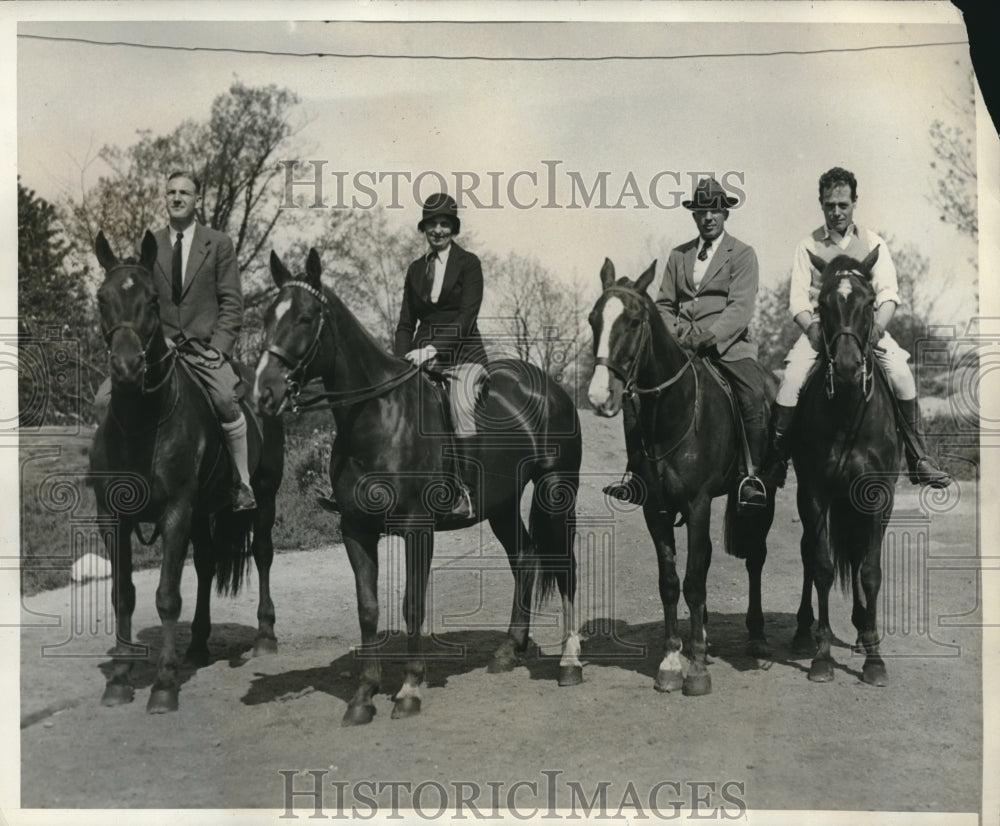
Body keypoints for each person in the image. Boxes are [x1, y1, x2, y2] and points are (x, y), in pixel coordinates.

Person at [759, 166, 952, 489]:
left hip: (865, 326)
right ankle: (777, 461)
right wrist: (812, 330)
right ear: (821, 204)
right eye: (829, 205)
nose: (836, 212)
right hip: (823, 328)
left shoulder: (874, 242)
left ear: (854, 203)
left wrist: (877, 326)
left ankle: (919, 457)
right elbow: (797, 300)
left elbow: (889, 292)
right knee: (791, 380)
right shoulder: (808, 245)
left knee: (902, 375)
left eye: (843, 205)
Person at [604, 176, 770, 510]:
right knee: (635, 395)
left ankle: (750, 475)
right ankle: (637, 475)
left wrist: (708, 336)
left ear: (725, 214)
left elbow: (740, 308)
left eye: (715, 211)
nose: (708, 217)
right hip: (681, 347)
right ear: (694, 217)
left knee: (753, 395)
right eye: (701, 212)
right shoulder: (679, 255)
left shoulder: (742, 254)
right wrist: (677, 333)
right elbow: (664, 304)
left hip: (727, 347)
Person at [95, 170, 255, 510]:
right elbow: (140, 303)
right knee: (102, 399)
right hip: (158, 351)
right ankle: (116, 476)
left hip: (204, 350)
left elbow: (231, 302)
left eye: (184, 192)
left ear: (197, 200)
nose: (177, 198)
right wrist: (148, 341)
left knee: (227, 399)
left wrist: (219, 350)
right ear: (165, 198)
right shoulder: (150, 245)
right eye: (171, 193)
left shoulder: (219, 244)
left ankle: (241, 482)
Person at [393, 193, 489, 520]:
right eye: (432, 224)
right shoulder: (415, 269)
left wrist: (432, 350)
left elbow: (466, 319)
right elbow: (406, 323)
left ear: (453, 228)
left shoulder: (469, 264)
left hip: (462, 356)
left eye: (444, 223)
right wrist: (399, 361)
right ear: (424, 228)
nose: (438, 230)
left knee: (461, 405)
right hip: (419, 356)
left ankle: (469, 494)